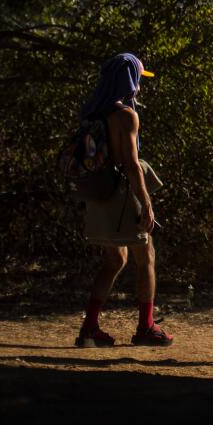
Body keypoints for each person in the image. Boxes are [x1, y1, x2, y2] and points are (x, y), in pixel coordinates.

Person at [74, 53, 173, 348]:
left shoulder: (91, 115)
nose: (140, 87)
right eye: (138, 80)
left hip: (98, 192)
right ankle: (146, 328)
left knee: (114, 259)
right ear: (129, 81)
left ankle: (90, 327)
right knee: (147, 257)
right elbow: (131, 164)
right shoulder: (126, 116)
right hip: (122, 193)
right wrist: (147, 204)